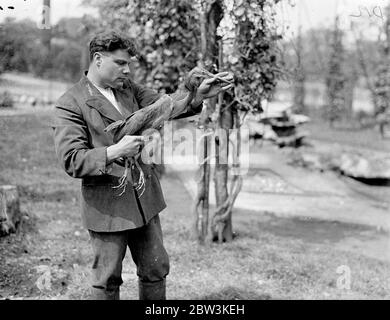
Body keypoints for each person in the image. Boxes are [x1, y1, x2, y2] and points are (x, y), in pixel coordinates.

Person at [52, 30, 233, 300]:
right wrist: (114, 151)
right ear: (98, 59)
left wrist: (197, 96)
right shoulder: (70, 103)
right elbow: (72, 159)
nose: (127, 70)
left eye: (129, 64)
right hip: (107, 207)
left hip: (144, 200)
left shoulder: (129, 89)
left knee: (156, 268)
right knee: (107, 278)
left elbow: (166, 105)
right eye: (121, 63)